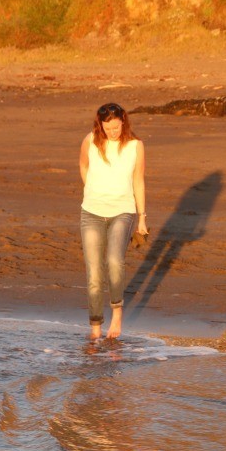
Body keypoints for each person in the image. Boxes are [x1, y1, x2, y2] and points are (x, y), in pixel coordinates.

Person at [79, 103, 147, 340]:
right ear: (100, 125)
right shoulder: (90, 140)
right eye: (107, 128)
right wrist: (93, 190)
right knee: (94, 273)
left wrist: (142, 218)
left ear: (123, 122)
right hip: (91, 212)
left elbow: (138, 180)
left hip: (123, 211)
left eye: (116, 127)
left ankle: (117, 310)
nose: (112, 132)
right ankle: (95, 328)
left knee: (115, 261)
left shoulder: (135, 146)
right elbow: (83, 165)